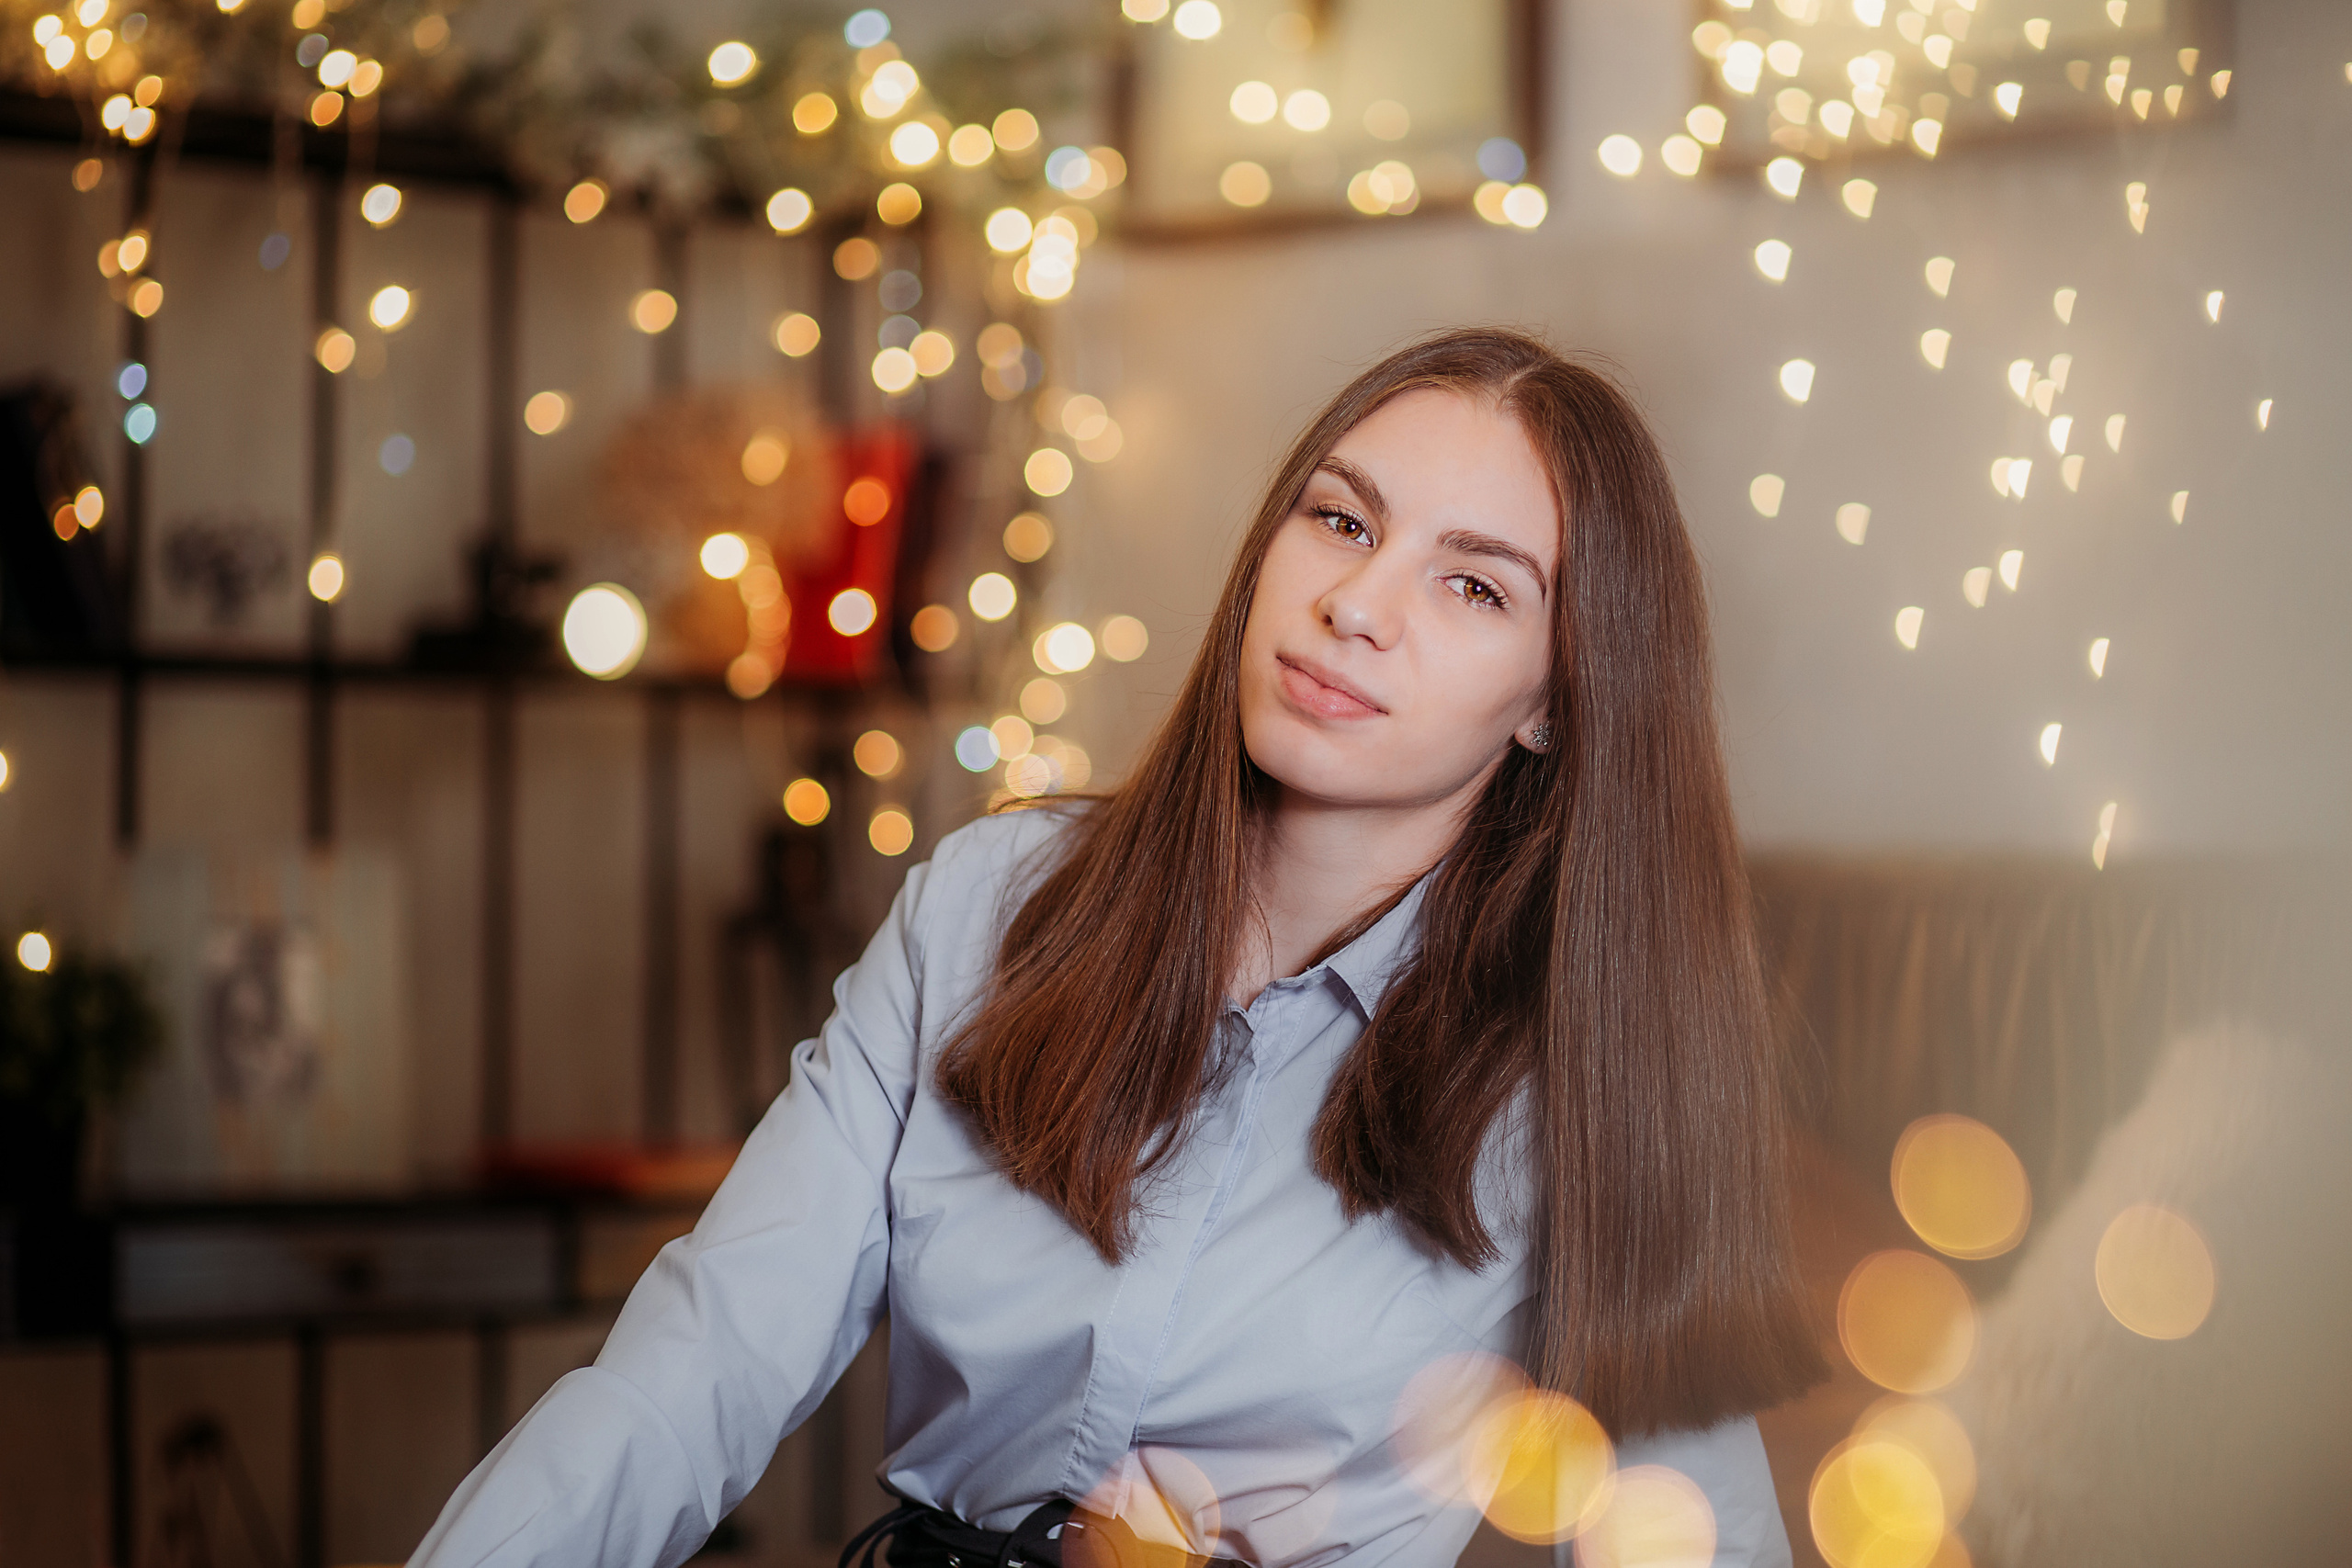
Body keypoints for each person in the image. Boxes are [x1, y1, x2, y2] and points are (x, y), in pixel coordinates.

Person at [411, 328, 1824, 1568]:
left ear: (1557, 705)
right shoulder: (986, 905)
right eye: (1341, 521)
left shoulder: (1580, 1063)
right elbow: (699, 1370)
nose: (1358, 605)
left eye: (1477, 589)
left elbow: (1698, 1544)